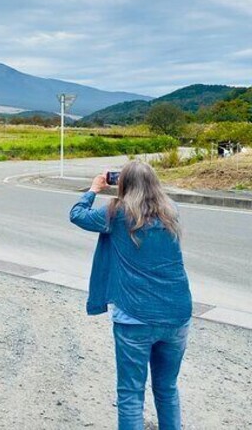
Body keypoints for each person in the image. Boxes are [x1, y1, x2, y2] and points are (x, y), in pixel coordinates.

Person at [69, 160, 192, 430]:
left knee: (130, 393)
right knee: (167, 388)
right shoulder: (172, 211)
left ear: (122, 184)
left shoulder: (116, 212)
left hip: (134, 317)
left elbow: (77, 214)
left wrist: (93, 189)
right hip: (177, 315)